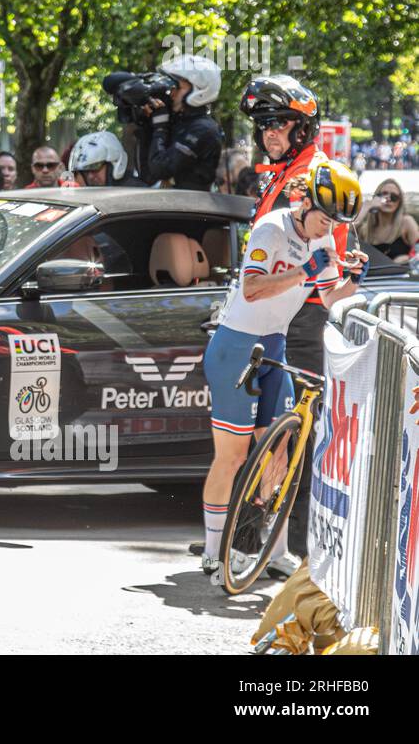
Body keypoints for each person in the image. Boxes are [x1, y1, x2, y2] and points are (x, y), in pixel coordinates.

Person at [201, 161, 366, 585]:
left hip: (273, 344)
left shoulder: (322, 237)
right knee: (234, 456)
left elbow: (329, 299)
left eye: (336, 222)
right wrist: (303, 271)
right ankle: (213, 550)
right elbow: (253, 289)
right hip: (236, 345)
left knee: (281, 450)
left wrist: (353, 280)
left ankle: (275, 551)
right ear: (305, 202)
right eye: (325, 218)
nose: (328, 228)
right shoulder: (271, 230)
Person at [140, 54, 223, 190]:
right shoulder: (181, 123)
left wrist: (160, 128)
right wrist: (146, 124)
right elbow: (147, 175)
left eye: (177, 87)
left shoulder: (203, 129)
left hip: (193, 202)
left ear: (199, 91)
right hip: (174, 201)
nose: (172, 93)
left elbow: (160, 169)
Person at [354, 177, 418, 259]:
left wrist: (407, 259)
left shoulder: (406, 222)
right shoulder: (365, 230)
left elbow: (417, 253)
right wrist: (367, 206)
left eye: (394, 197)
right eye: (384, 194)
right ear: (376, 197)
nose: (388, 199)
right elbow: (346, 231)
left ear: (399, 202)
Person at [67, 131, 145, 187]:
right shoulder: (91, 195)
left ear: (113, 164)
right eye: (86, 172)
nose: (90, 176)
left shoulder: (136, 191)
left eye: (95, 168)